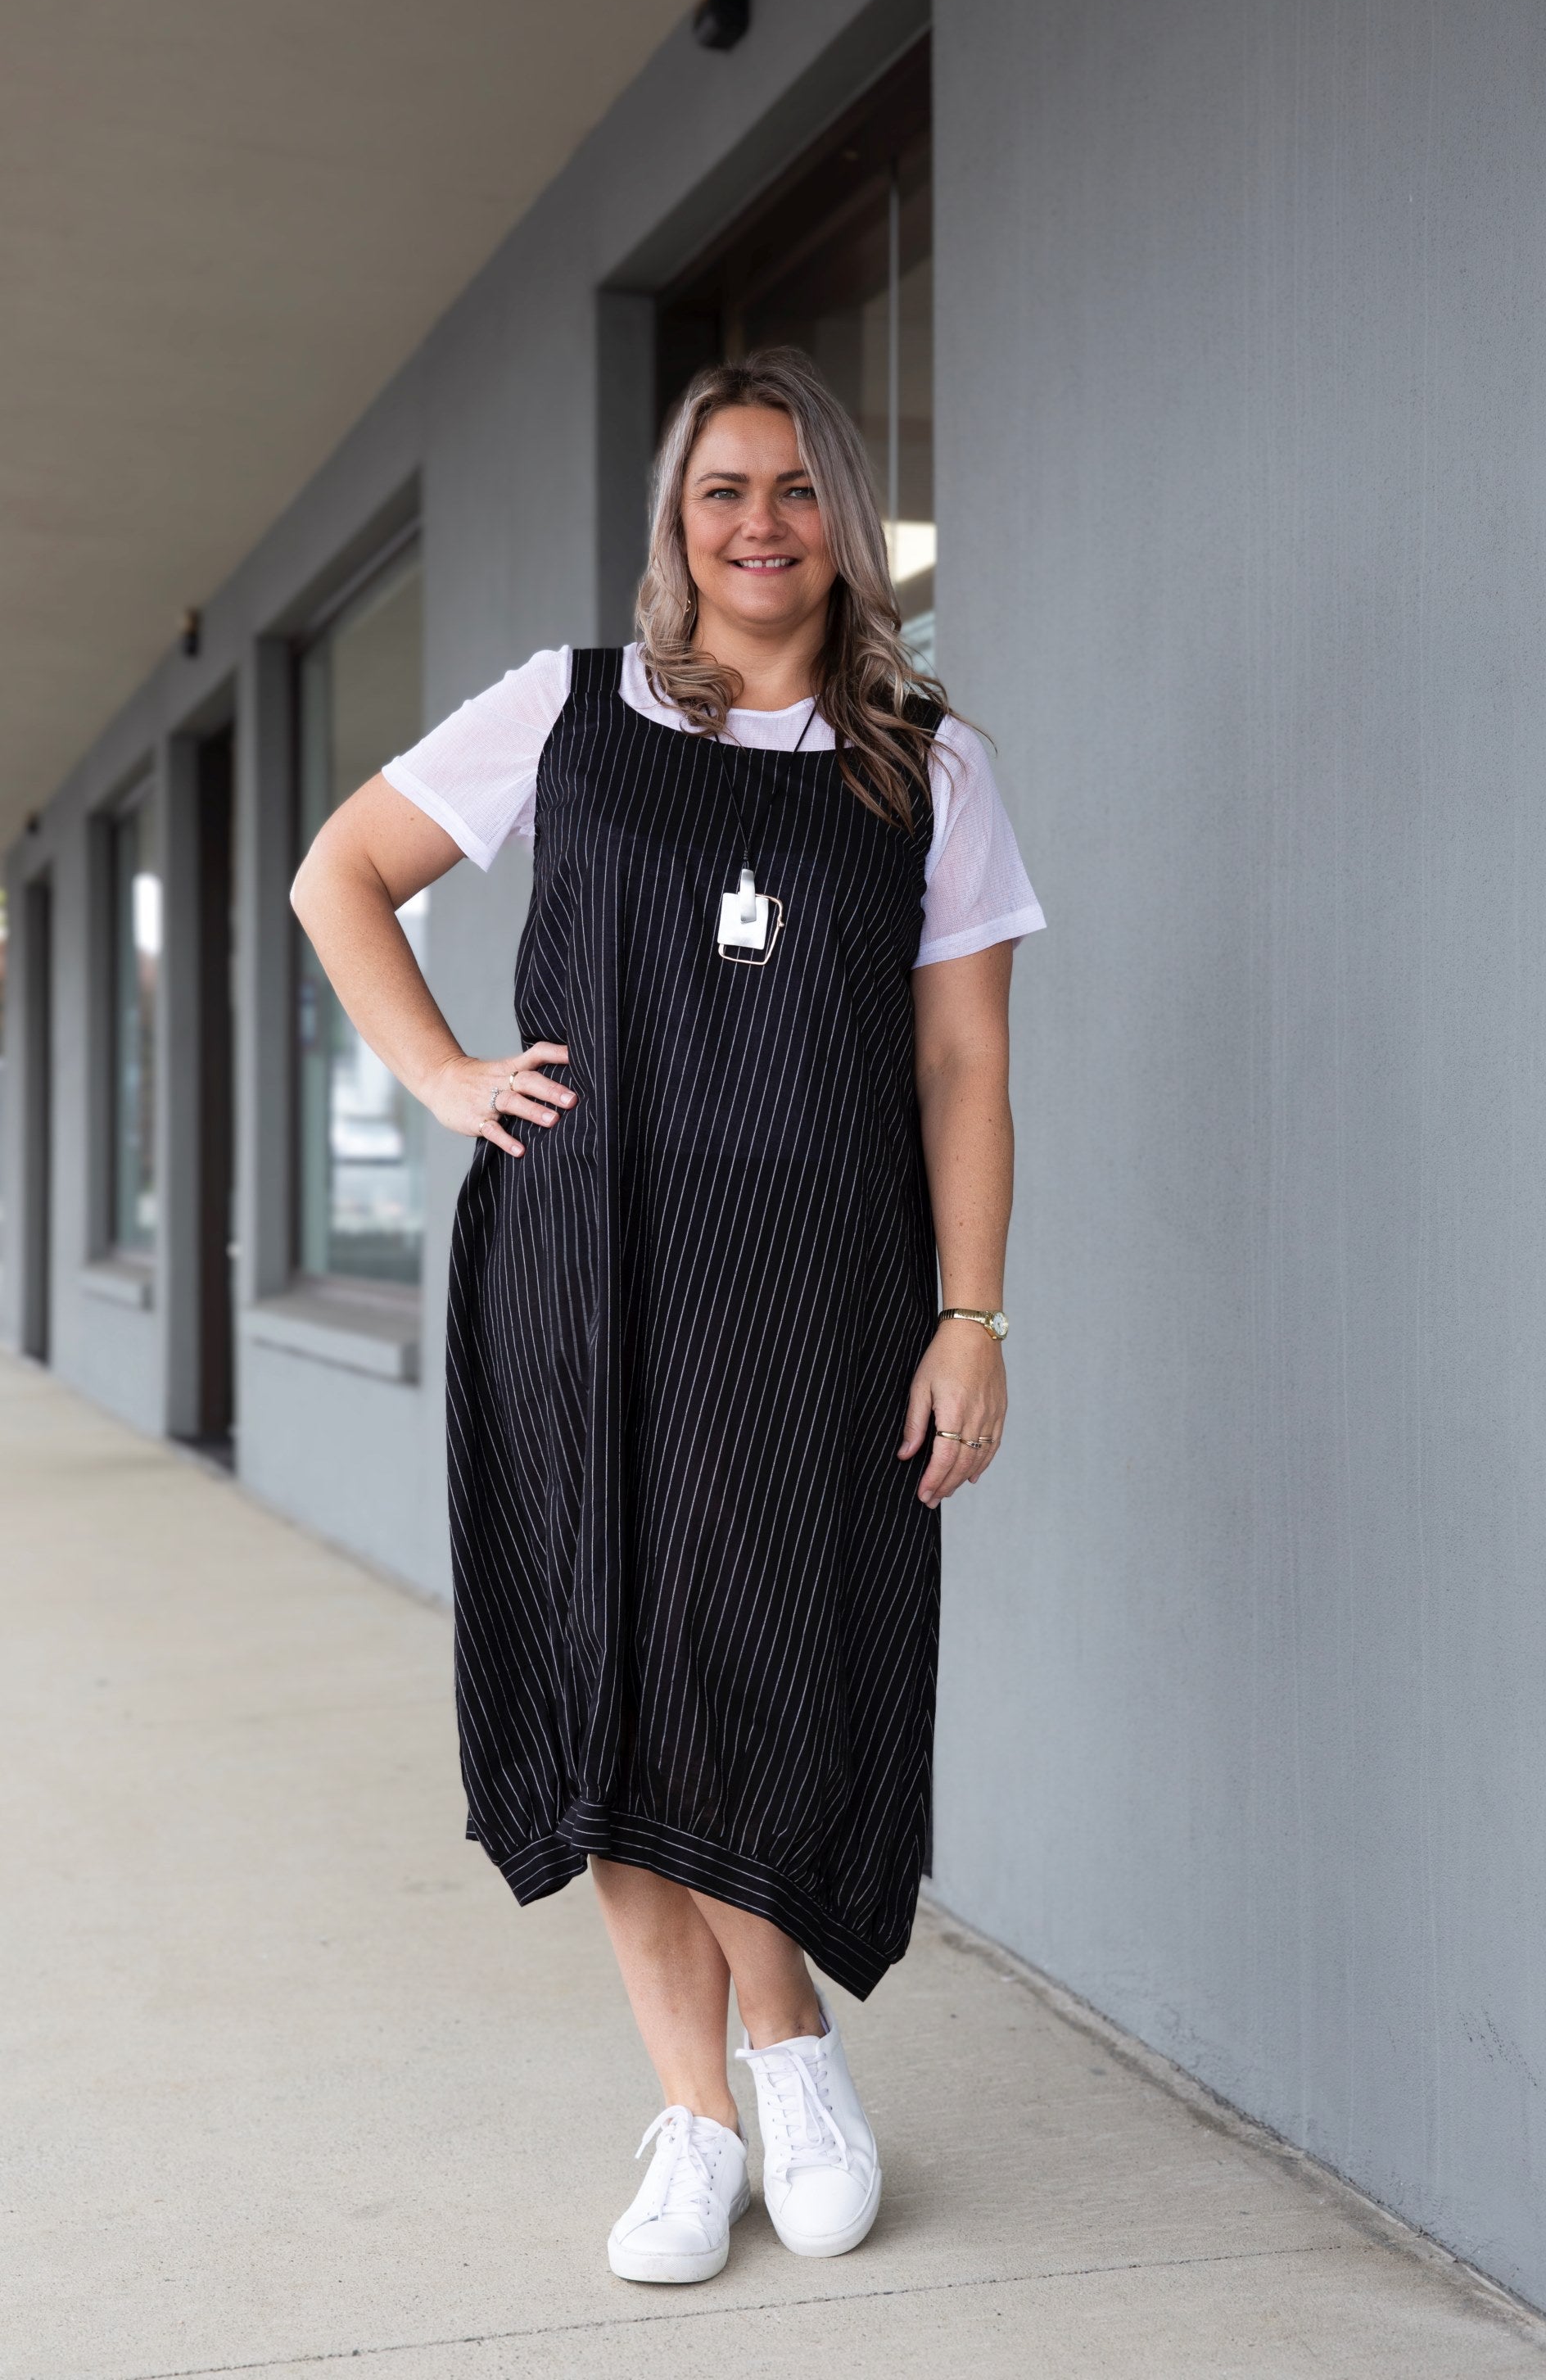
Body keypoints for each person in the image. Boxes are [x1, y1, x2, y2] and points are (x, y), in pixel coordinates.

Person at [292, 347, 1044, 2284]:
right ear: (675, 522)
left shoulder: (926, 763)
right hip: (583, 1263)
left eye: (795, 489)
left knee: (758, 1652)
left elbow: (963, 1064)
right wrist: (446, 1075)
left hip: (819, 1293)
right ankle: (715, 2106)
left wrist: (972, 1314)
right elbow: (340, 874)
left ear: (845, 521)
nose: (759, 524)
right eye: (723, 490)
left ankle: (775, 2038)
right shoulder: (566, 710)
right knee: (604, 1650)